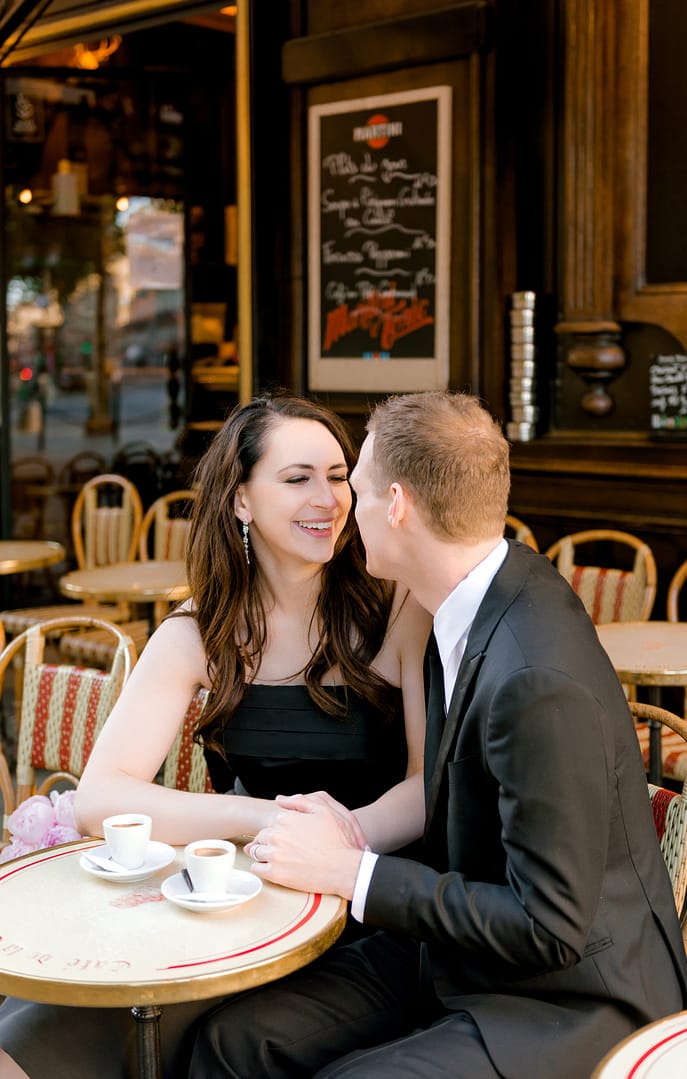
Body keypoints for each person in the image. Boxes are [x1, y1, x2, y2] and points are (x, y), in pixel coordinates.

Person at [188, 391, 687, 1079]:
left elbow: (549, 926)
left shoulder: (532, 674)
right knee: (234, 1042)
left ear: (395, 506)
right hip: (455, 951)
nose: (342, 509)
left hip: (573, 997)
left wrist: (348, 870)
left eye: (354, 488)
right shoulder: (464, 602)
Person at [0, 392, 430, 1079]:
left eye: (338, 474)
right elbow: (100, 795)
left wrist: (336, 840)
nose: (328, 497)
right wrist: (270, 818)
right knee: (22, 1018)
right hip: (239, 898)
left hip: (365, 909)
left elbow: (426, 783)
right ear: (240, 501)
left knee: (100, 1031)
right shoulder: (199, 630)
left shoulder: (399, 603)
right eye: (297, 478)